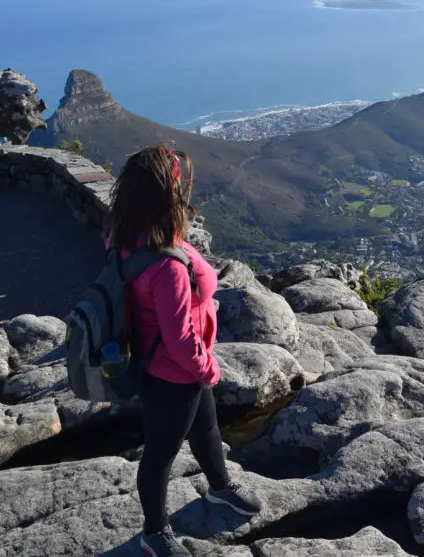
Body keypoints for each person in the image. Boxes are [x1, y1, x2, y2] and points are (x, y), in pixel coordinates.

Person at [107, 144, 262, 557]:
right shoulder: (168, 266)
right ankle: (154, 533)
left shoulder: (128, 237)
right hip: (174, 372)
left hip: (164, 363)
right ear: (163, 194)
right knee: (159, 455)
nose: (182, 189)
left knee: (207, 429)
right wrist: (207, 369)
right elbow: (178, 339)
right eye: (176, 182)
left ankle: (219, 488)